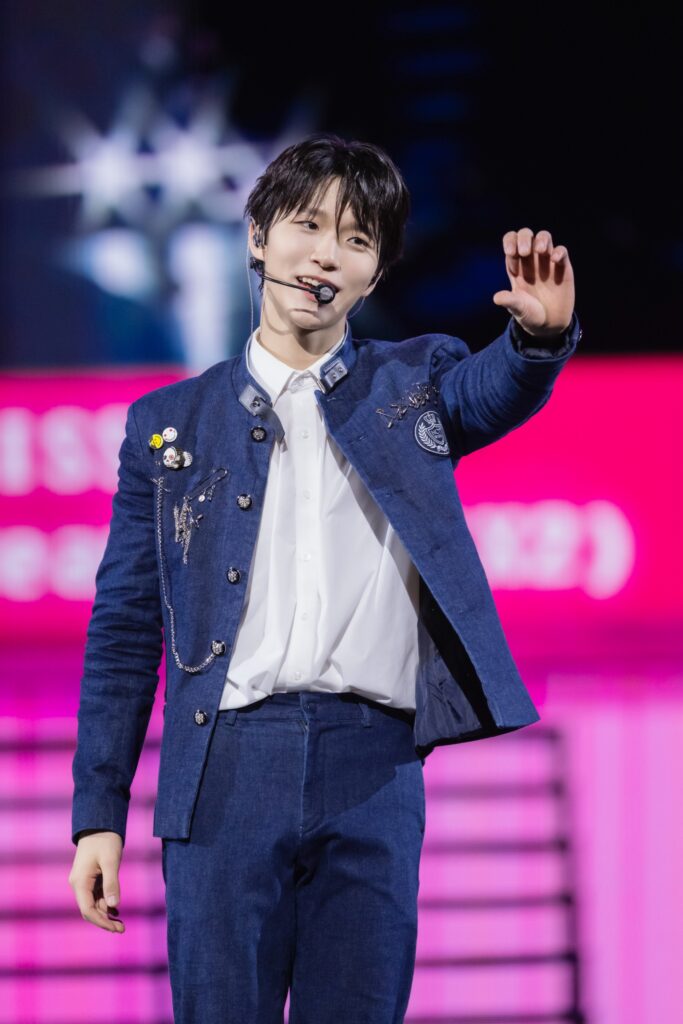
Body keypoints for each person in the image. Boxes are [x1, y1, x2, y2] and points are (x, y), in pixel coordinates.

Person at [69, 132, 580, 1023]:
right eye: (306, 225)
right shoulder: (170, 423)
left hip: (373, 765)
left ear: (374, 275)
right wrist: (97, 813)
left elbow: (491, 389)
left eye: (355, 239)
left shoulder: (413, 382)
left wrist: (536, 339)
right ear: (257, 235)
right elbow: (123, 629)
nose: (325, 254)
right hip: (225, 768)